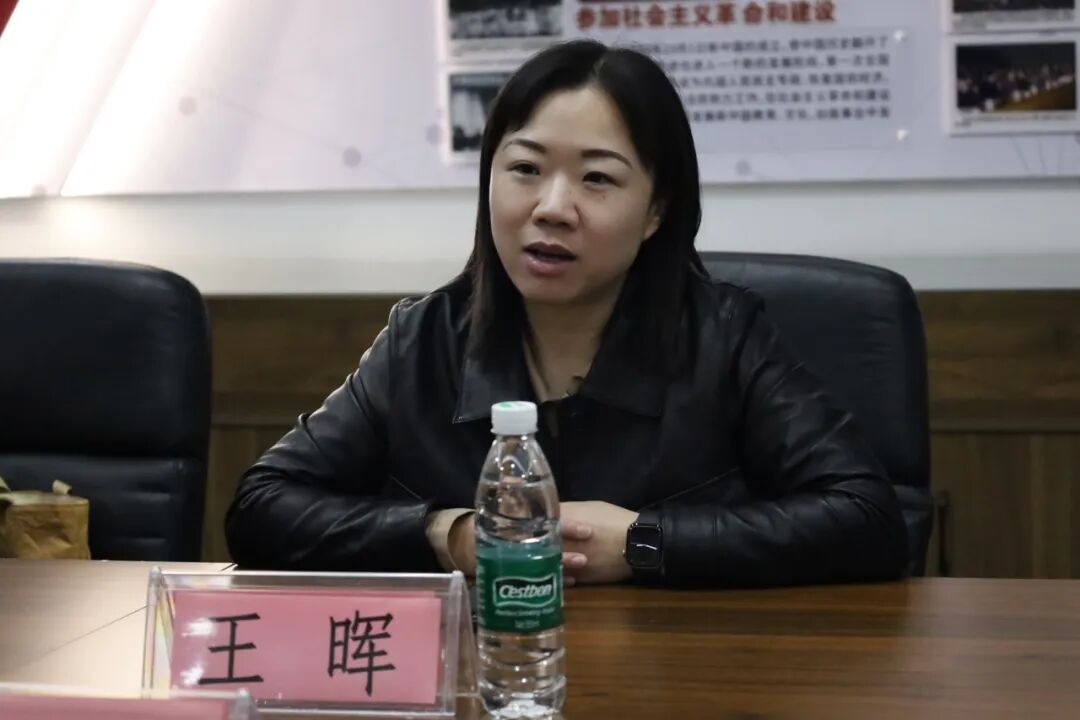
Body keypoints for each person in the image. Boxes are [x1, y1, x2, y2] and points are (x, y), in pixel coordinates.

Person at [226, 40, 908, 587]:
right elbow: (263, 508)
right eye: (525, 169)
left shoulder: (724, 338)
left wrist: (644, 542)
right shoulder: (424, 340)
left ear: (656, 210)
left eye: (597, 178)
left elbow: (869, 519)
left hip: (681, 675)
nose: (552, 207)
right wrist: (449, 535)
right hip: (488, 671)